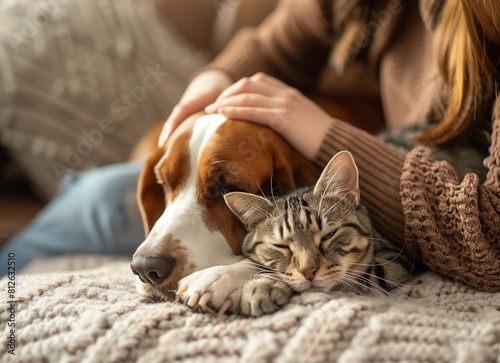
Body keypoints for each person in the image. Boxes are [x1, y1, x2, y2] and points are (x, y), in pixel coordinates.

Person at [2, 0, 500, 294]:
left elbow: (489, 227)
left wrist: (319, 132)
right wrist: (212, 84)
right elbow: (275, 42)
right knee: (100, 199)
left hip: (386, 183)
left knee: (106, 205)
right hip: (350, 165)